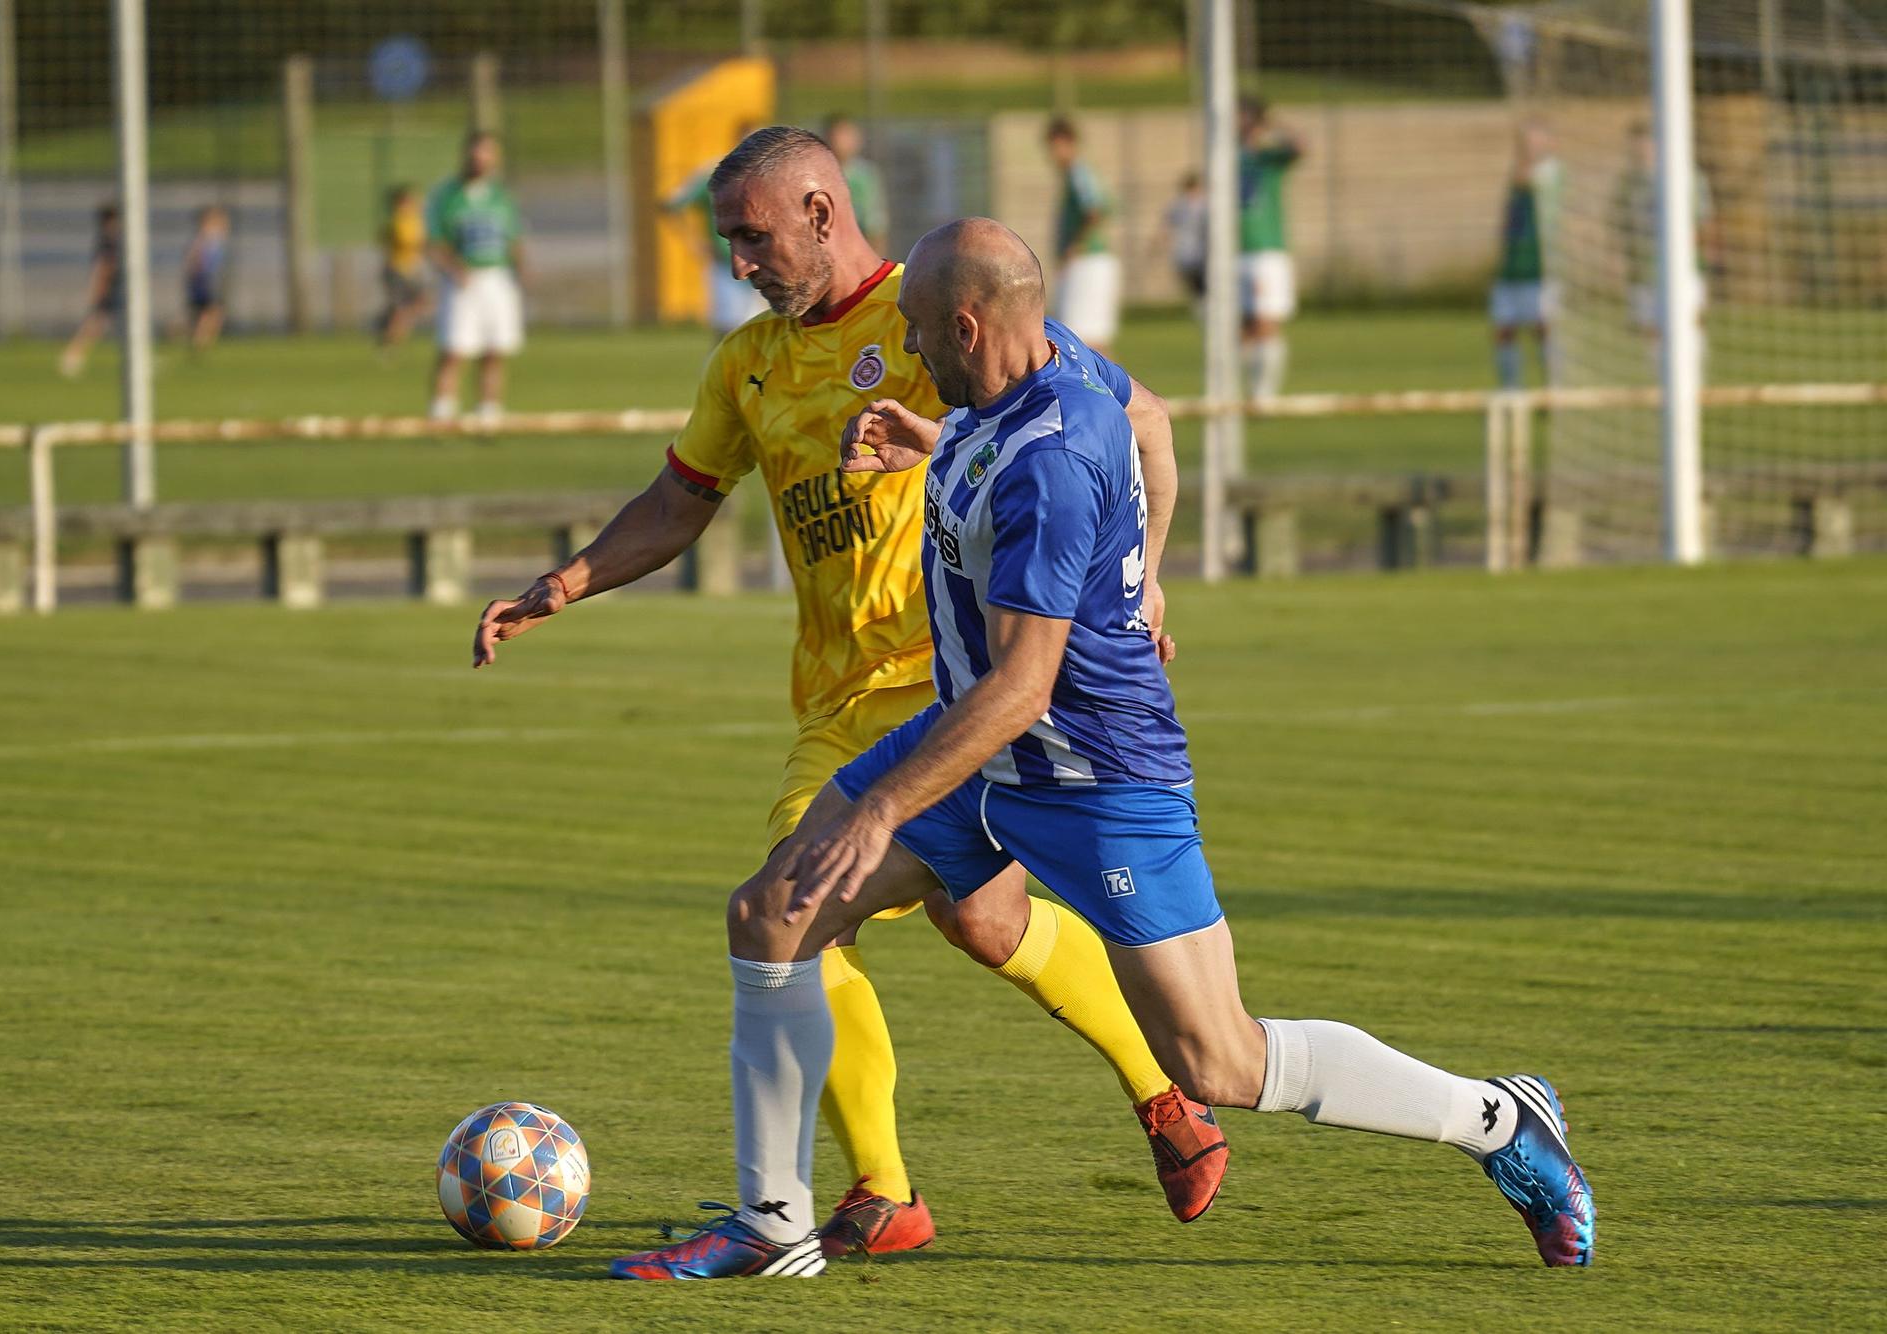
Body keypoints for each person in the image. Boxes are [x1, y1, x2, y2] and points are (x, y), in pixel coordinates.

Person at [606, 216, 1597, 1280]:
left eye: (920, 330)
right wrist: (1083, 535)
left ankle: (1496, 1118)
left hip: (1089, 774)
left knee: (1218, 1056)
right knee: (772, 910)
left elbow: (1023, 680)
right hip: (980, 751)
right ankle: (771, 1223)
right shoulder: (1019, 392)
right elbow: (1149, 436)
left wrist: (885, 806)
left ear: (968, 325)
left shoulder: (1049, 459)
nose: (909, 345)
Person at [472, 127, 1223, 1265]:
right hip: (834, 701)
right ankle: (1167, 1099)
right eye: (729, 240)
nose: (740, 261)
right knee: (974, 916)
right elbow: (679, 503)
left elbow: (1126, 421)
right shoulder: (746, 364)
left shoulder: (937, 313)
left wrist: (1141, 579)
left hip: (960, 687)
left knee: (795, 907)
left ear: (822, 212)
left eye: (754, 235)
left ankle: (878, 1189)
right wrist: (565, 581)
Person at [426, 131, 527, 423]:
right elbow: (434, 241)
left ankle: (489, 412)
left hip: (497, 277)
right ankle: (442, 412)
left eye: (487, 154)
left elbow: (514, 235)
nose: (481, 160)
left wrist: (521, 265)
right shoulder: (447, 195)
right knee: (454, 349)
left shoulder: (501, 196)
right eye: (476, 153)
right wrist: (453, 268)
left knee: (495, 348)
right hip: (463, 279)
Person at [1612, 119, 1719, 367]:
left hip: (1684, 267)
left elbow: (1704, 218)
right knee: (1652, 330)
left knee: (1690, 320)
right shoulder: (1628, 183)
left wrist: (1707, 250)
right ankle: (1661, 380)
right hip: (1645, 270)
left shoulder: (1688, 176)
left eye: (1645, 144)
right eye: (1635, 146)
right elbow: (1620, 223)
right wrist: (1617, 256)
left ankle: (1694, 379)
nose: (1640, 151)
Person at [663, 120, 766, 339]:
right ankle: (720, 371)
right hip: (726, 263)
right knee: (728, 331)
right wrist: (695, 243)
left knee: (766, 330)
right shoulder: (716, 174)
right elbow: (672, 205)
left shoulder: (770, 177)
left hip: (765, 263)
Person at [1238, 95, 1303, 404]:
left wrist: (1274, 123)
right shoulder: (1231, 157)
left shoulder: (1268, 156)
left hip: (1266, 251)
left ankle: (1265, 395)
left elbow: (1301, 147)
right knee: (1243, 326)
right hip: (1237, 251)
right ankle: (1244, 390)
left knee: (1266, 321)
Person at [1490, 121, 1563, 390]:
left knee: (1543, 328)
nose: (1530, 146)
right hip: (1512, 266)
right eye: (1526, 141)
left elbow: (1525, 179)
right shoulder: (1517, 171)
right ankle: (1510, 389)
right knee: (1503, 329)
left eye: (1536, 141)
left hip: (1540, 266)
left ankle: (1553, 387)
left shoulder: (1552, 171)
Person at [1043, 117, 1120, 355]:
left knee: (1085, 341)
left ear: (1067, 142)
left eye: (1055, 146)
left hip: (1088, 261)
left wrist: (1076, 246)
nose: (1052, 154)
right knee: (1084, 340)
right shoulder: (1075, 175)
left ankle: (1110, 391)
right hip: (1087, 262)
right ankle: (1108, 391)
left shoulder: (1079, 172)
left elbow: (1095, 210)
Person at [59, 204, 122, 379]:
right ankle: (72, 356)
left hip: (115, 287)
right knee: (95, 325)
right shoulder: (108, 240)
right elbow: (103, 267)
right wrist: (97, 289)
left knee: (99, 325)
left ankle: (73, 356)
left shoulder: (111, 239)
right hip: (110, 288)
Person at [824, 113, 888, 253]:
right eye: (837, 135)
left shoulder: (865, 176)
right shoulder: (817, 174)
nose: (841, 141)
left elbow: (875, 226)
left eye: (847, 135)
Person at [378, 185, 430, 348]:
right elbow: (406, 242)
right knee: (402, 308)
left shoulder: (414, 220)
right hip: (397, 269)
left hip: (410, 270)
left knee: (417, 304)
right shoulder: (398, 221)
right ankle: (388, 340)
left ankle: (391, 337)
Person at [182, 205, 229, 356]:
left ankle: (202, 342)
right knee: (210, 312)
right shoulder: (204, 238)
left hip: (208, 279)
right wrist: (195, 273)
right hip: (206, 280)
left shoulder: (213, 237)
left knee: (213, 313)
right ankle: (198, 342)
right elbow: (193, 259)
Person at [1158, 171, 1208, 312]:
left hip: (1203, 253)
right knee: (1195, 288)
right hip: (1186, 254)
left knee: (1205, 286)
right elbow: (1166, 225)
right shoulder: (1179, 206)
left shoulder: (1205, 204)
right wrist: (1160, 243)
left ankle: (1206, 310)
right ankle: (1201, 310)